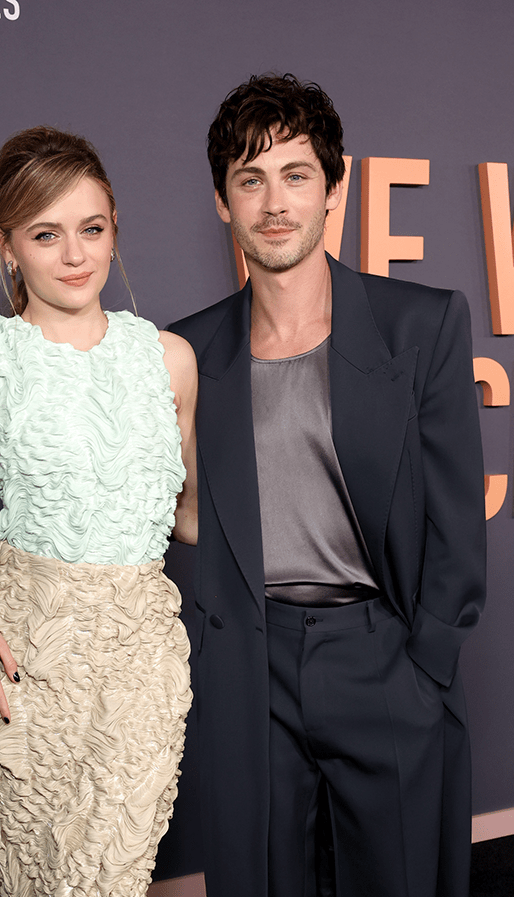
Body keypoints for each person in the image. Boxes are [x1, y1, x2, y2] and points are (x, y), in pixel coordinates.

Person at [169, 74, 485, 897]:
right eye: (250, 178)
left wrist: (426, 667)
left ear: (334, 186)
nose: (274, 202)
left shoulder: (423, 324)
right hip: (251, 667)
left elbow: (456, 523)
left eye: (295, 174)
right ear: (222, 202)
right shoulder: (184, 354)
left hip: (381, 654)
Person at [0, 126, 197, 897]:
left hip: (139, 654)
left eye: (92, 229)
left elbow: (185, 514)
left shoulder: (169, 360)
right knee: (40, 879)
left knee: (110, 869)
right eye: (46, 235)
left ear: (115, 229)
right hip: (24, 654)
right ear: (6, 244)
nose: (76, 255)